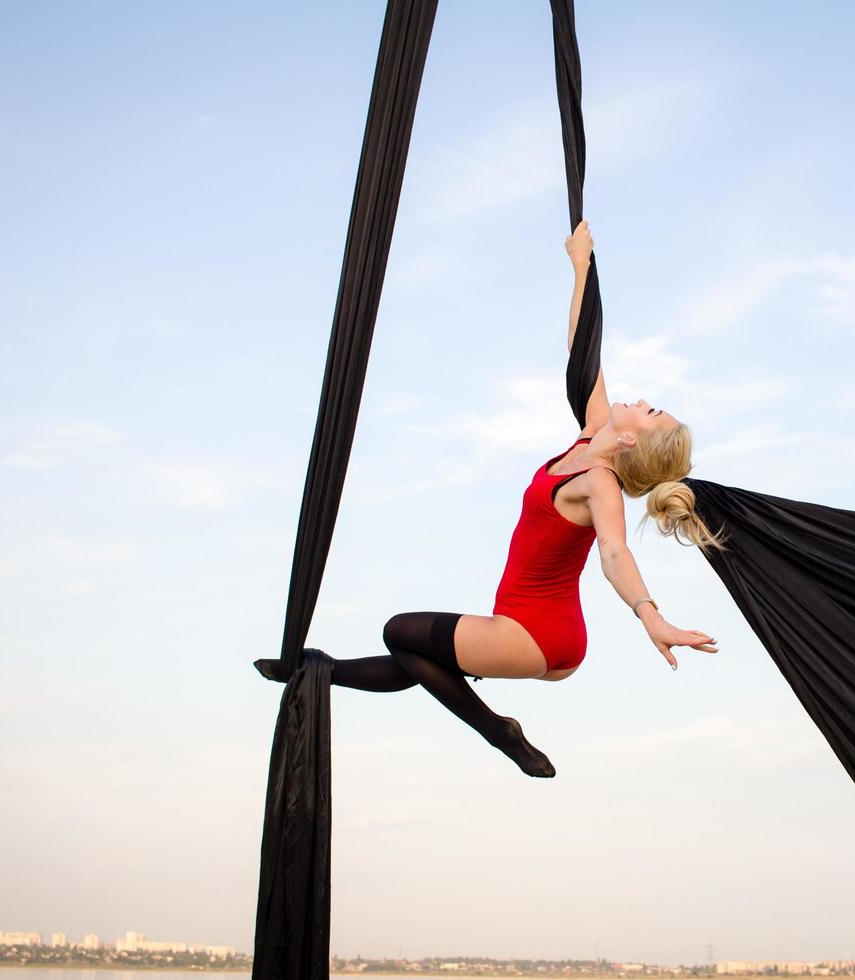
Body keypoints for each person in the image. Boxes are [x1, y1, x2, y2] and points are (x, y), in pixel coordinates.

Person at [257, 220, 725, 778]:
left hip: (539, 635)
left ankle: (499, 730)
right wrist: (580, 265)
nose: (643, 399)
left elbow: (615, 554)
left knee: (400, 630)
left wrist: (652, 617)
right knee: (417, 654)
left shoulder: (600, 480)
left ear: (630, 441)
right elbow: (583, 350)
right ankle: (316, 671)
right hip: (522, 623)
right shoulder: (592, 431)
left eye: (651, 412)